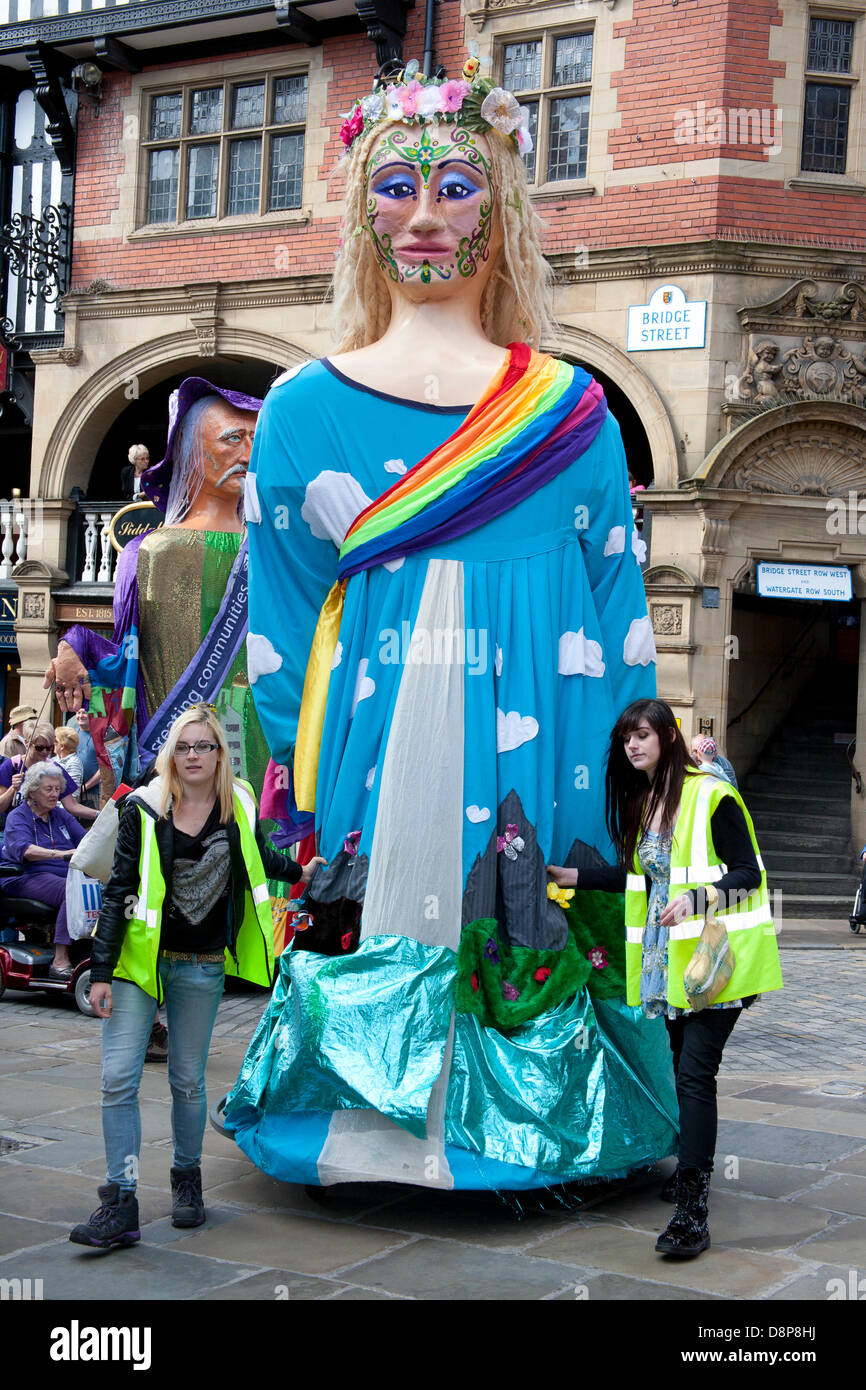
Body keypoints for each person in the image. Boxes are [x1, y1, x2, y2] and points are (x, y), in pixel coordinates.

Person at [223, 59, 679, 1192]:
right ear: (358, 212)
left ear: (505, 205)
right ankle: (364, 1120)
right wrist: (300, 782)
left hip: (539, 725)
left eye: (455, 186)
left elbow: (617, 614)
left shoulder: (570, 411)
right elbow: (277, 628)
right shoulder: (301, 410)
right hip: (374, 733)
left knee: (516, 889)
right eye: (393, 185)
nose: (423, 215)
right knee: (399, 887)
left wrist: (631, 771)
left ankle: (517, 1127)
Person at [69, 706, 325, 1250]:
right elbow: (118, 889)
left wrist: (298, 870)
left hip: (202, 966)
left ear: (219, 754)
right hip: (139, 966)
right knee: (118, 1079)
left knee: (187, 1080)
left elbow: (258, 856)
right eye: (183, 747)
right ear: (170, 754)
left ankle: (188, 1182)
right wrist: (101, 969)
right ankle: (120, 1200)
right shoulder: (143, 808)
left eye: (203, 746)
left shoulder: (239, 804)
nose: (192, 756)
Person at [549, 698, 782, 1256]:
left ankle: (692, 1213)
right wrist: (573, 875)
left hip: (714, 965)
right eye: (627, 737)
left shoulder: (709, 794)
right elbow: (638, 875)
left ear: (669, 738)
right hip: (670, 968)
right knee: (683, 1072)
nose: (633, 745)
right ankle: (690, 1176)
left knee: (696, 1076)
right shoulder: (648, 800)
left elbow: (749, 872)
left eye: (644, 735)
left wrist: (695, 899)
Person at [44, 381, 267, 792]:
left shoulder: (278, 551)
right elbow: (127, 662)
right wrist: (74, 643)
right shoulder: (143, 554)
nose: (249, 453)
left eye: (256, 438)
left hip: (260, 755)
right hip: (169, 768)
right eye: (232, 438)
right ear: (190, 452)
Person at [0, 762, 87, 977]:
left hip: (63, 874)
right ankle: (60, 960)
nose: (54, 794)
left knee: (105, 888)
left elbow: (86, 842)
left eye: (57, 789)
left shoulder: (60, 816)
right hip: (27, 875)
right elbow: (25, 850)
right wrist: (61, 854)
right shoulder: (18, 816)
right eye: (48, 789)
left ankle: (88, 951)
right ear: (32, 790)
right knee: (73, 890)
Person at [0, 722, 97, 823]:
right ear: (27, 743)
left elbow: (72, 805)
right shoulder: (12, 766)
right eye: (39, 748)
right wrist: (13, 789)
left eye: (49, 748)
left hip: (43, 828)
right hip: (14, 827)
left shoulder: (54, 769)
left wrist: (100, 815)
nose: (45, 752)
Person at [54, 725, 84, 799]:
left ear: (62, 746)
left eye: (55, 741)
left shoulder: (74, 763)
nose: (53, 743)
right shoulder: (55, 759)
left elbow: (73, 794)